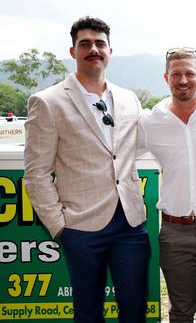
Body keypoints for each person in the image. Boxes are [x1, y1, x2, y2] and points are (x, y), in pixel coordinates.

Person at [24, 16, 150, 323]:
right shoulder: (47, 101)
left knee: (135, 310)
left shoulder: (128, 98)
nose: (93, 49)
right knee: (88, 312)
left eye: (99, 43)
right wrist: (59, 226)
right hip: (80, 227)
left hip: (130, 224)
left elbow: (139, 144)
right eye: (85, 44)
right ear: (73, 51)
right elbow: (36, 172)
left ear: (109, 50)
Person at [138, 47, 196, 322]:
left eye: (189, 73)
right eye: (176, 74)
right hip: (174, 232)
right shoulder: (151, 121)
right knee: (181, 310)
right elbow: (117, 152)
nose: (183, 80)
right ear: (166, 78)